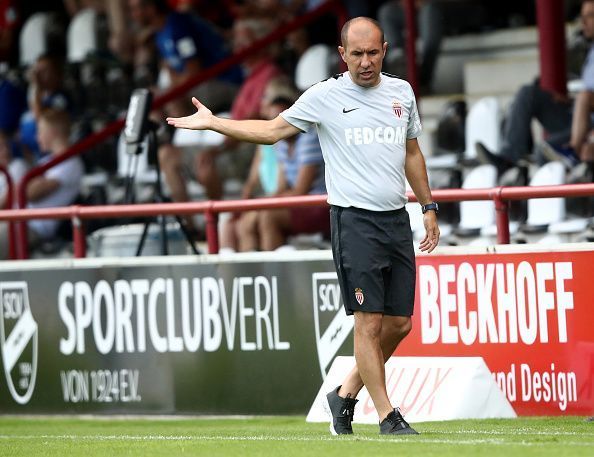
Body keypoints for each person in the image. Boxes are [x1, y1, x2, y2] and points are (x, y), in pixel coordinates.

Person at [167, 16, 440, 435]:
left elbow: (413, 153)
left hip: (395, 221)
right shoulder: (325, 96)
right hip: (354, 221)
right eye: (356, 54)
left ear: (384, 50)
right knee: (367, 323)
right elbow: (272, 131)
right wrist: (215, 123)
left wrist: (428, 205)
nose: (365, 62)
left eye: (372, 53)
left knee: (400, 324)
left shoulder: (401, 91)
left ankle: (344, 393)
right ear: (342, 55)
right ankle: (387, 416)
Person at [477, 0, 594, 172]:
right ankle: (508, 159)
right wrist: (570, 101)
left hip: (588, 129)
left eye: (590, 16)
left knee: (543, 150)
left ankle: (569, 159)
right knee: (528, 93)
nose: (583, 22)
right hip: (576, 118)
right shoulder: (590, 50)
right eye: (582, 17)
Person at [0, 108, 84, 259]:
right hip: (18, 221)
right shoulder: (49, 160)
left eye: (40, 131)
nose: (37, 137)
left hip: (33, 227)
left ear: (52, 132)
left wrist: (26, 186)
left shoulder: (70, 162)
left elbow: (29, 194)